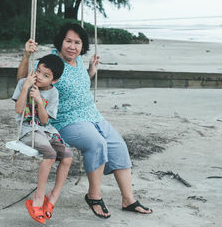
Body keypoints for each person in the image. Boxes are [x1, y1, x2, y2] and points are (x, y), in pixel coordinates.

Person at [17, 23, 152, 219]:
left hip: (92, 115)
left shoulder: (79, 60)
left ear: (82, 46)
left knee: (118, 146)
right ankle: (94, 196)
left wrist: (90, 71)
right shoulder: (52, 62)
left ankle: (128, 199)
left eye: (77, 42)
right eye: (68, 41)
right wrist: (27, 55)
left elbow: (76, 84)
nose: (72, 46)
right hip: (66, 119)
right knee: (96, 143)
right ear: (60, 42)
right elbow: (23, 81)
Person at [12, 54, 73, 224]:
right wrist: (26, 87)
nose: (39, 76)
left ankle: (52, 197)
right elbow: (18, 110)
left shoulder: (53, 93)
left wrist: (39, 101)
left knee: (68, 156)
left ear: (54, 80)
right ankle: (38, 198)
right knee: (50, 154)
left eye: (46, 75)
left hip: (46, 130)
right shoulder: (23, 83)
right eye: (38, 71)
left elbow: (45, 120)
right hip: (27, 130)